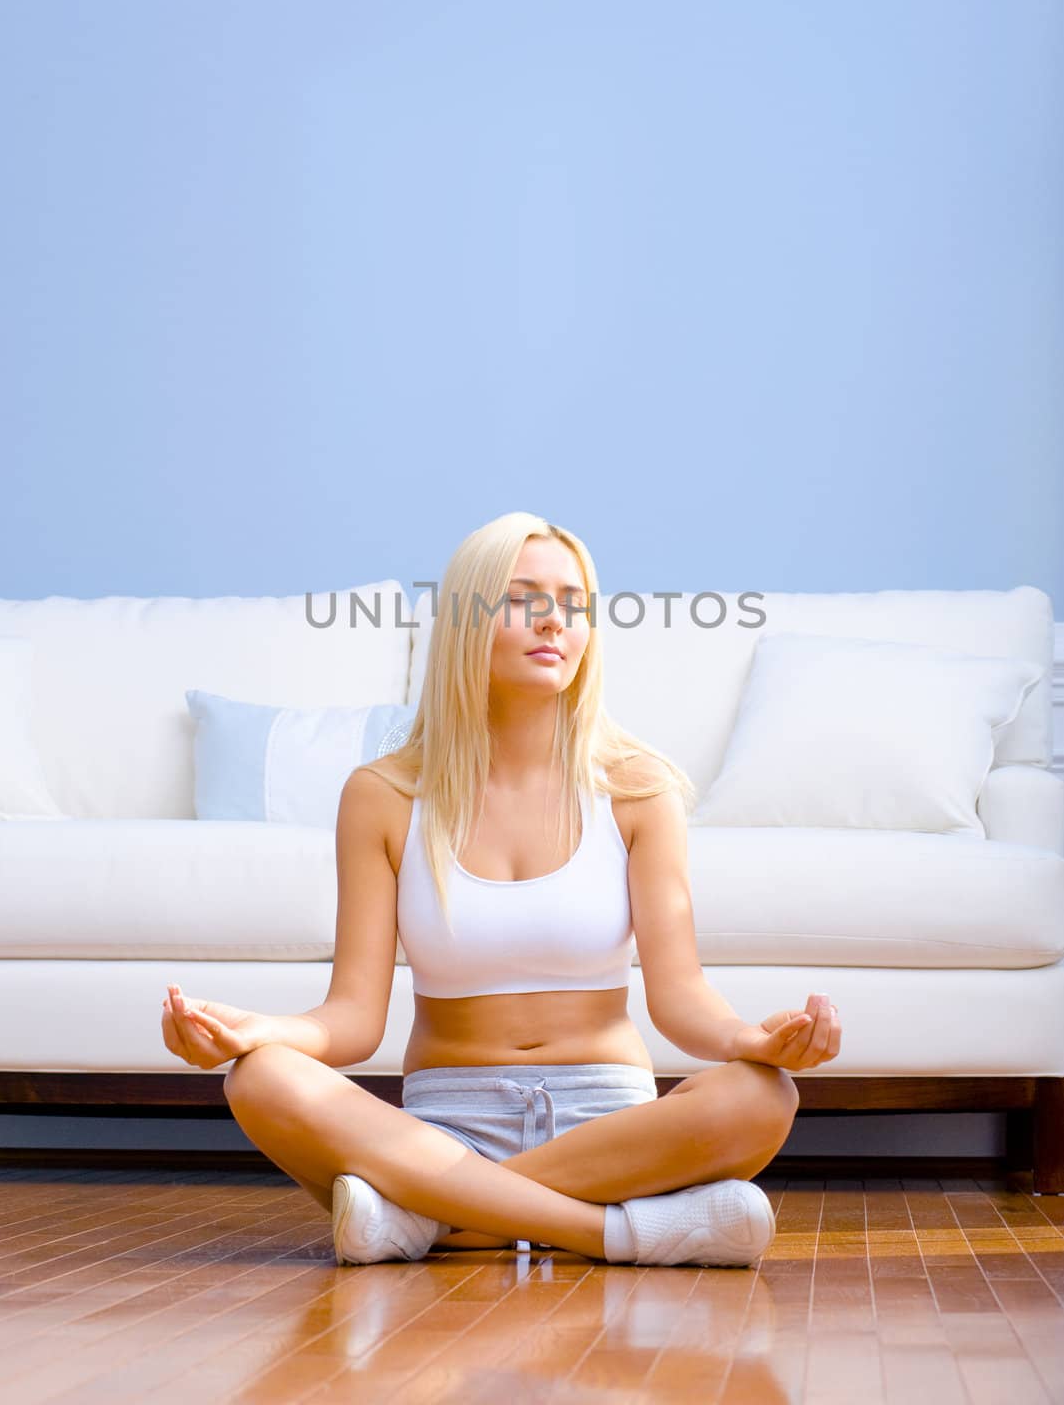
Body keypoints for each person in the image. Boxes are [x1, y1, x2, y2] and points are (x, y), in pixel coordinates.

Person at [161, 512, 842, 1268]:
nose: (555, 620)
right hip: (442, 1126)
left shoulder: (637, 790)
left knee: (760, 1096)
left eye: (574, 603)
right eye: (523, 598)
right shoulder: (383, 795)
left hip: (609, 1123)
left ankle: (428, 1222)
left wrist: (752, 1041)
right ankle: (617, 1232)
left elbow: (679, 999)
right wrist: (259, 1033)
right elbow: (352, 1019)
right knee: (262, 1080)